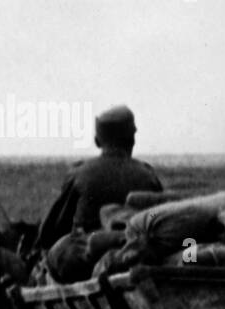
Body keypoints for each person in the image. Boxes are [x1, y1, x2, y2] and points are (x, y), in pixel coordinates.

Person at [37, 105, 163, 251]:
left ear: (97, 141)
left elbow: (51, 232)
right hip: (135, 253)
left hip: (85, 259)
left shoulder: (80, 173)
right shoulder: (148, 176)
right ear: (132, 139)